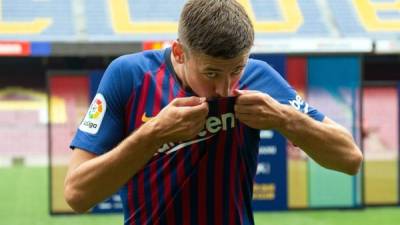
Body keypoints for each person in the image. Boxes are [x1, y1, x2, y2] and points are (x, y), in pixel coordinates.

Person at [64, 0, 363, 224]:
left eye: (236, 70)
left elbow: (350, 158)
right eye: (211, 73)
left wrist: (284, 118)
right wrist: (154, 133)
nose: (225, 89)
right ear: (180, 53)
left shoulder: (259, 78)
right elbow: (77, 194)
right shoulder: (129, 76)